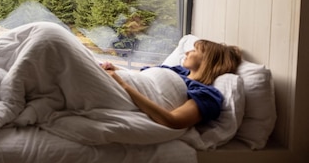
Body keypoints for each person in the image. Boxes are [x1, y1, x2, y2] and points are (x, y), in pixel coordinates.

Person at [101, 39, 242, 129]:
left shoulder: (206, 94)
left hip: (123, 91)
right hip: (122, 82)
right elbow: (142, 78)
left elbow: (173, 121)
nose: (187, 52)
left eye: (194, 50)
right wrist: (116, 70)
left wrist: (123, 85)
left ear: (208, 60)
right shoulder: (177, 70)